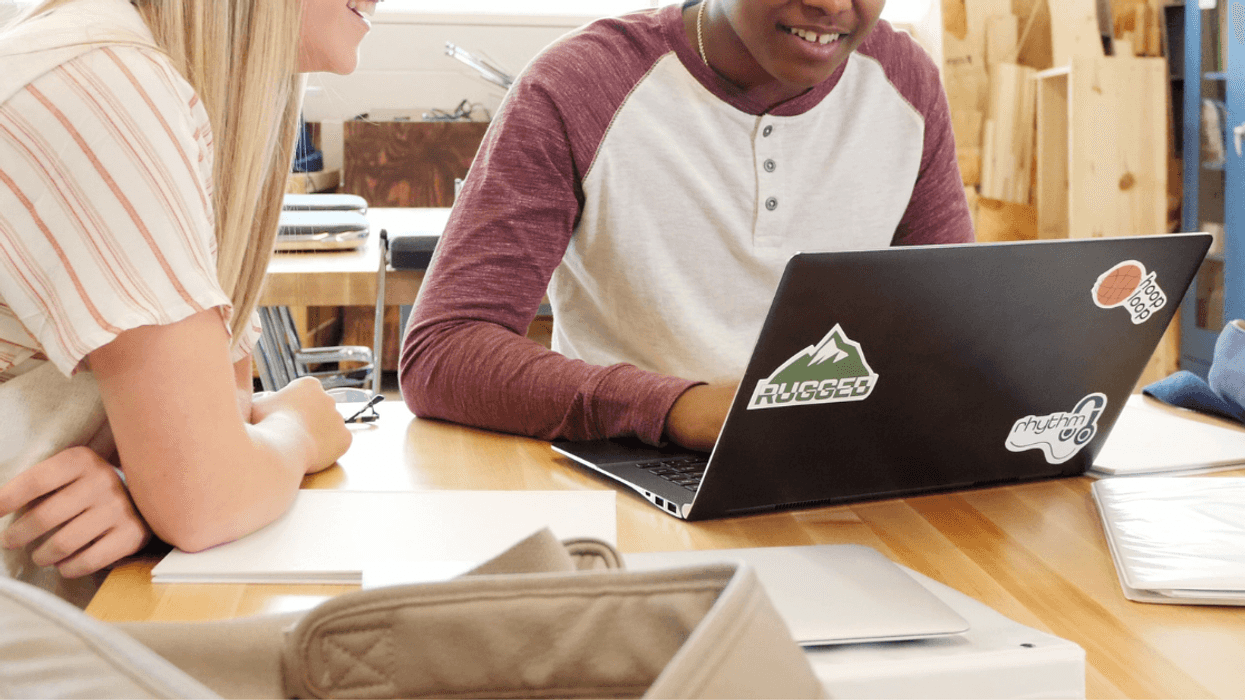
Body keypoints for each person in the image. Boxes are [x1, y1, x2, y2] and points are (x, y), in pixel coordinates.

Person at [399, 0, 973, 452]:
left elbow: (952, 334)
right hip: (623, 464)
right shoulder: (580, 83)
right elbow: (442, 352)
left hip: (832, 465)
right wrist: (677, 408)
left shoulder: (907, 82)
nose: (831, 4)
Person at [0, 0, 379, 605]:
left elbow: (221, 431)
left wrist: (142, 491)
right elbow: (209, 496)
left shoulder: (157, 84)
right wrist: (300, 429)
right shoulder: (107, 84)